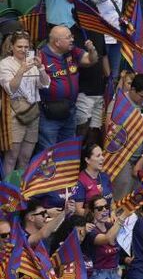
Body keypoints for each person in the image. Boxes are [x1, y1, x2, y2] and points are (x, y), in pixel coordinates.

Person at [36, 25, 98, 153]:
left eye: (72, 36)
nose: (72, 39)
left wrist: (92, 50)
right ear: (57, 42)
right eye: (68, 37)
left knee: (68, 152)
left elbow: (91, 60)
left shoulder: (72, 51)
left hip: (70, 111)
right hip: (49, 114)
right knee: (48, 153)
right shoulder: (41, 56)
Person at [0, 31, 49, 175]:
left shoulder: (33, 63)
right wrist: (21, 70)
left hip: (33, 113)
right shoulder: (4, 64)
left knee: (26, 157)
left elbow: (45, 84)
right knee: (11, 158)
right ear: (12, 47)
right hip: (15, 114)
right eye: (19, 46)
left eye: (26, 47)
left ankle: (21, 191)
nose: (23, 50)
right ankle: (7, 192)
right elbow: (10, 88)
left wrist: (40, 68)